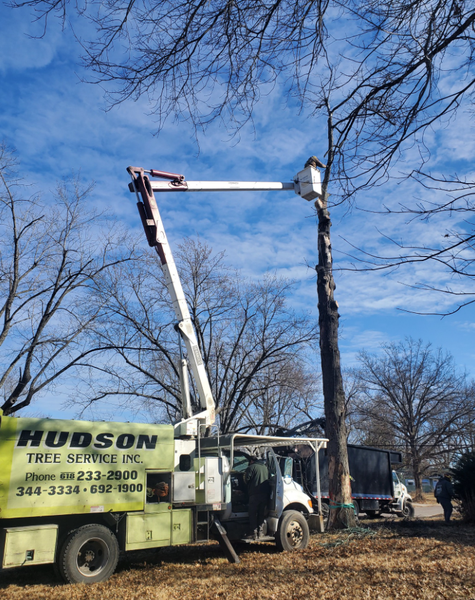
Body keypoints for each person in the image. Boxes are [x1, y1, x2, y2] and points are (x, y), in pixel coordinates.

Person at [243, 454, 270, 540]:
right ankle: (261, 532)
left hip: (254, 494)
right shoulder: (265, 467)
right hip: (264, 494)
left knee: (252, 513)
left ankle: (253, 533)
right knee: (261, 513)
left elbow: (246, 479)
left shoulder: (251, 467)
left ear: (251, 461)